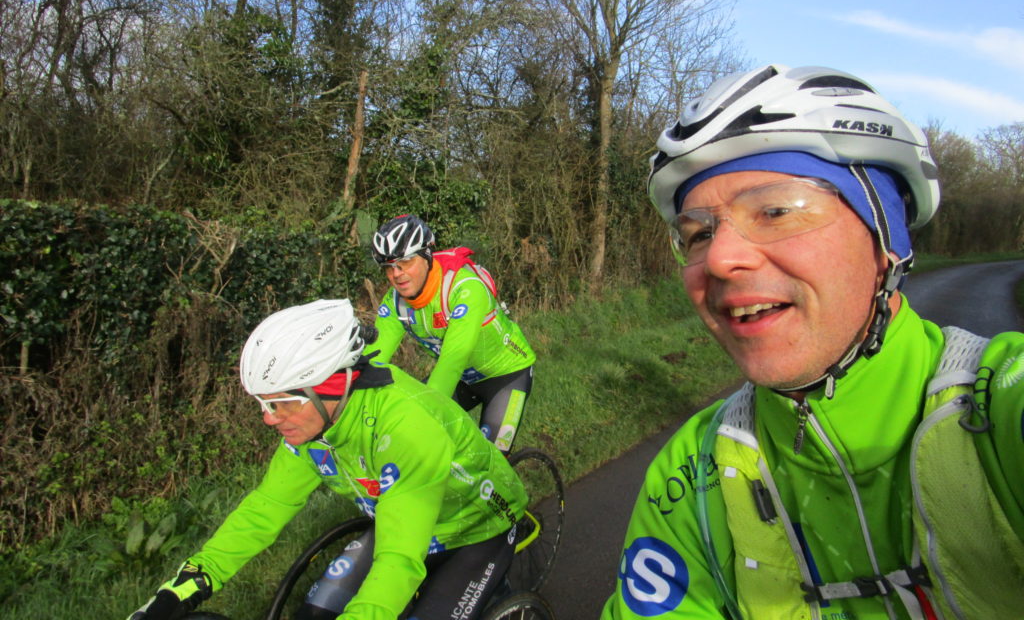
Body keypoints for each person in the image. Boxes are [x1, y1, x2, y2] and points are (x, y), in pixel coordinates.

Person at [602, 64, 1024, 619]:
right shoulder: (690, 470)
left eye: (775, 211)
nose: (721, 259)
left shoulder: (1003, 406)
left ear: (886, 240)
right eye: (699, 233)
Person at [129, 298, 526, 620]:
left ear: (331, 386)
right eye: (264, 404)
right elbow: (267, 507)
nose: (269, 418)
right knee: (314, 612)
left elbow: (399, 559)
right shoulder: (311, 427)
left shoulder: (407, 428)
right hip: (400, 521)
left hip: (475, 525)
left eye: (282, 402)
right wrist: (189, 583)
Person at [371, 215, 536, 454]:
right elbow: (373, 360)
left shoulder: (465, 288)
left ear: (427, 255)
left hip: (507, 376)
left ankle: (502, 476)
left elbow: (452, 360)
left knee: (491, 457)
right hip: (464, 381)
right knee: (412, 441)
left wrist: (422, 417)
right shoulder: (395, 302)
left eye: (405, 262)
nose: (397, 274)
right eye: (389, 267)